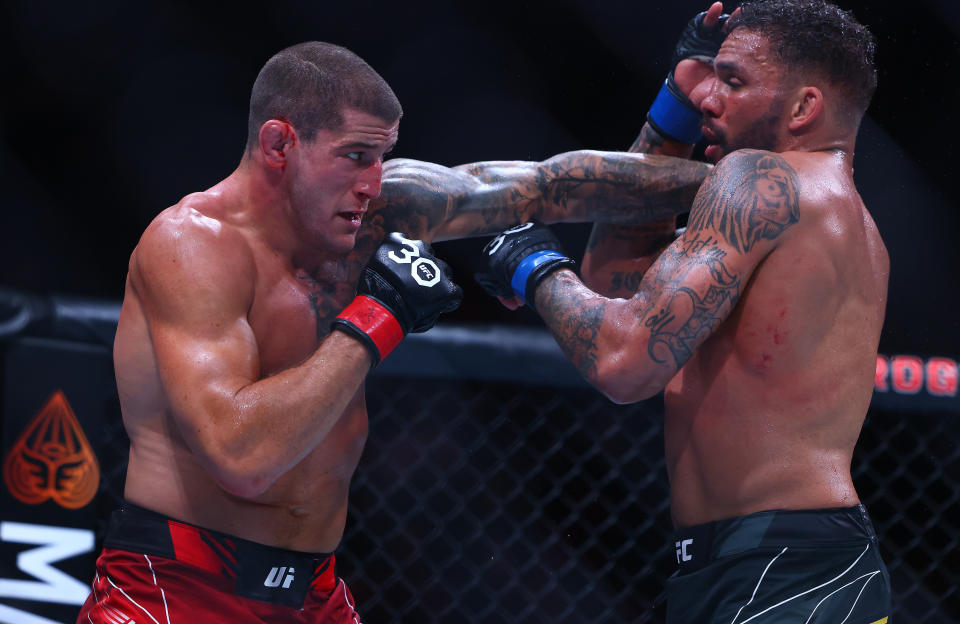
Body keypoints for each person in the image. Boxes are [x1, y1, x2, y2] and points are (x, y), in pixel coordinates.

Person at [76, 41, 712, 623]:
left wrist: (747, 182)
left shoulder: (375, 213)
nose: (373, 183)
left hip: (314, 595)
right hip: (177, 592)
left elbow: (553, 187)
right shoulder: (193, 248)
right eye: (355, 156)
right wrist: (376, 318)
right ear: (279, 145)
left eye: (382, 157)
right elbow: (242, 460)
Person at [478, 0, 892, 624]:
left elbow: (623, 362)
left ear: (805, 106)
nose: (708, 98)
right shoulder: (839, 219)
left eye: (733, 82)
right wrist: (671, 107)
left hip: (781, 567)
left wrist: (531, 261)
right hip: (783, 563)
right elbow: (615, 288)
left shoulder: (759, 181)